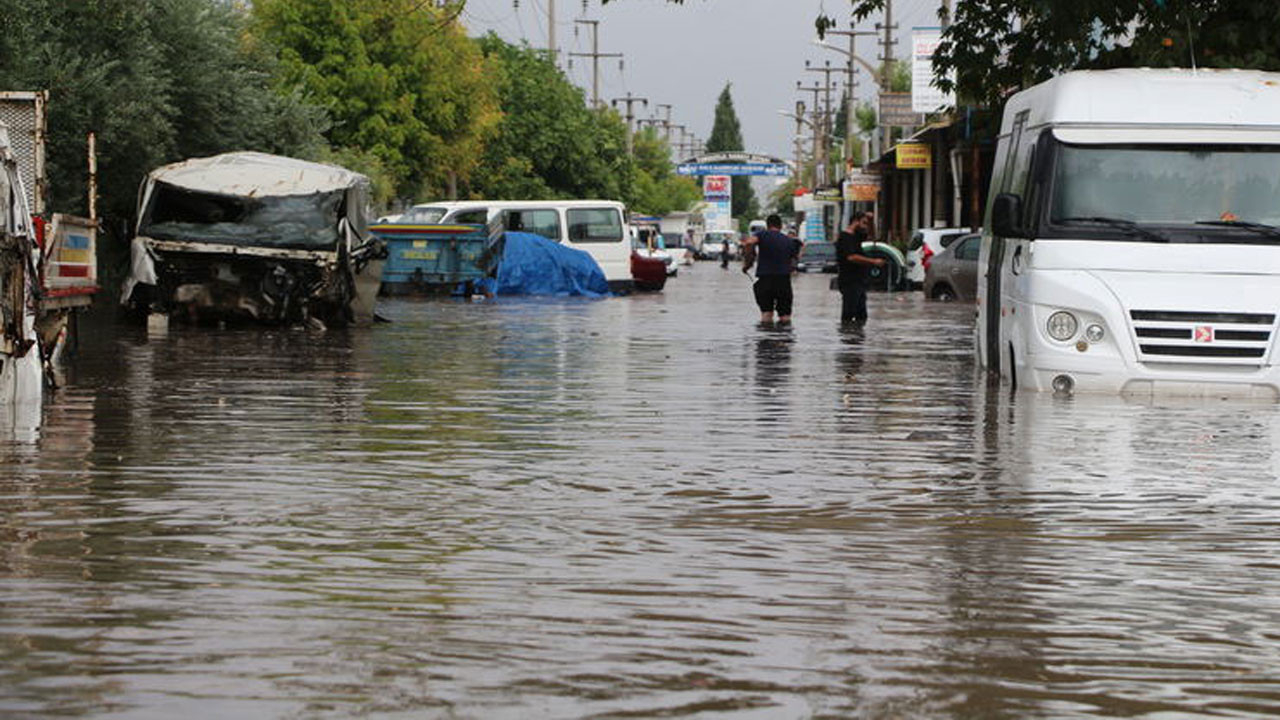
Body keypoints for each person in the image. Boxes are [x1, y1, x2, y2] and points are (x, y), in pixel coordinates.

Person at [741, 214, 801, 323]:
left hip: (765, 279)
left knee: (766, 314)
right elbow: (795, 259)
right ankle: (783, 338)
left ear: (767, 225)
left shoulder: (762, 235)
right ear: (781, 226)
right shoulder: (788, 240)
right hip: (783, 280)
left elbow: (749, 243)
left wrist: (748, 263)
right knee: (785, 316)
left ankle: (766, 338)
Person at [835, 212, 886, 324]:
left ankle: (857, 338)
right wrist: (873, 261)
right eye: (864, 223)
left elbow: (873, 237)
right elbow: (851, 257)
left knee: (861, 314)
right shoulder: (845, 237)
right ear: (855, 221)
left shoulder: (856, 236)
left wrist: (872, 221)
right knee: (849, 313)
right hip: (849, 281)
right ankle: (848, 337)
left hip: (859, 280)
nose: (865, 226)